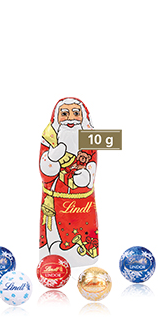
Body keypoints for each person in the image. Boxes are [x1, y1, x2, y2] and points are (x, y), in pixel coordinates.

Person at [39, 97, 99, 267]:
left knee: (84, 229)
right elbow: (44, 170)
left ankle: (85, 255)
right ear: (56, 117)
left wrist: (87, 176)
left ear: (83, 116)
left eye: (76, 113)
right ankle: (53, 256)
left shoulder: (90, 138)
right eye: (64, 114)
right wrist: (51, 158)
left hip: (83, 200)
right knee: (54, 230)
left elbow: (93, 161)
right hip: (55, 197)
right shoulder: (48, 138)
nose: (70, 119)